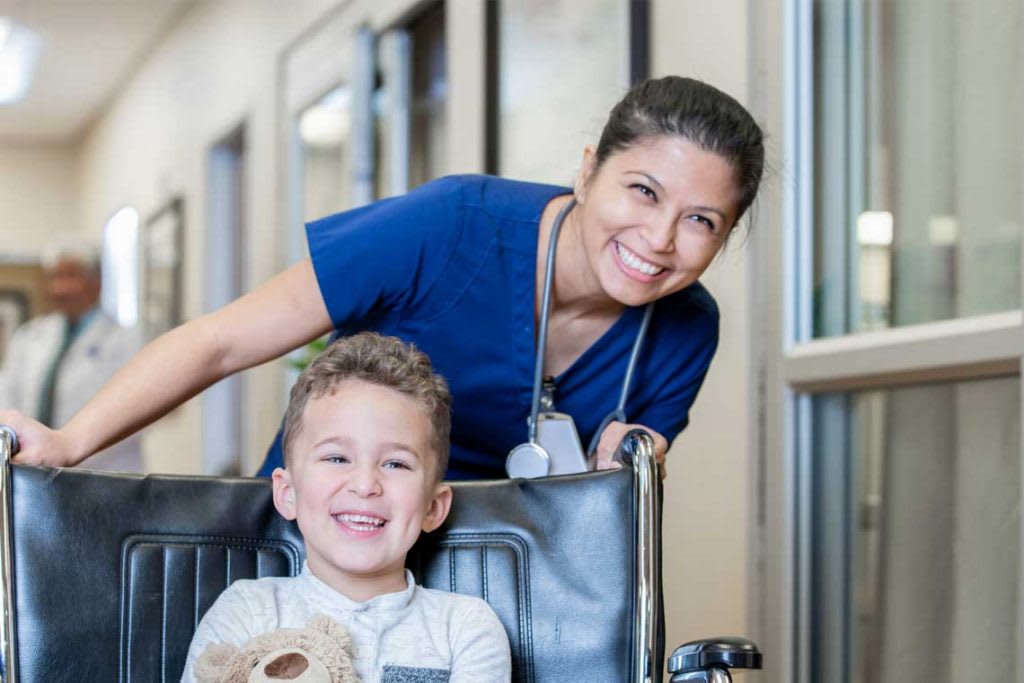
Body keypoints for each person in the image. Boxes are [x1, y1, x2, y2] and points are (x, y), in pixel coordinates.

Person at [2, 75, 765, 479]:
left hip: (506, 585)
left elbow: (611, 511)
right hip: (328, 550)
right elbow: (223, 342)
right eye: (643, 191)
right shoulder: (451, 225)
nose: (660, 240)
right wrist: (70, 442)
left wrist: (628, 469)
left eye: (703, 221)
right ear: (589, 170)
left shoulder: (686, 329)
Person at [181, 332, 511, 682]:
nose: (365, 484)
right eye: (337, 457)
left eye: (396, 464)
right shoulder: (246, 612)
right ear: (288, 492)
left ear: (433, 506)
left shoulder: (464, 629)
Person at [0, 245, 143, 472]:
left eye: (70, 277)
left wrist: (73, 447)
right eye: (54, 277)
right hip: (33, 467)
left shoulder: (127, 340)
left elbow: (138, 407)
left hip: (103, 470)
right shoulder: (29, 336)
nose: (60, 288)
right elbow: (7, 395)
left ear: (97, 283)